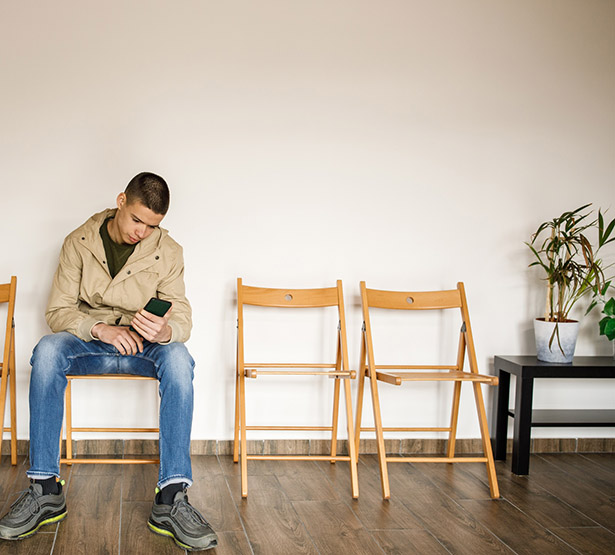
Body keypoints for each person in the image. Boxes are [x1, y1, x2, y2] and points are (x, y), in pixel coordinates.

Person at [0, 172, 217, 551]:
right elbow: (58, 311)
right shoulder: (78, 242)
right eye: (137, 220)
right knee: (48, 350)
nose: (142, 232)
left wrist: (164, 332)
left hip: (145, 348)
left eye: (152, 226)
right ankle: (45, 489)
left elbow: (181, 314)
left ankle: (172, 496)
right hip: (92, 343)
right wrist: (99, 328)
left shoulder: (169, 251)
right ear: (121, 201)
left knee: (180, 358)